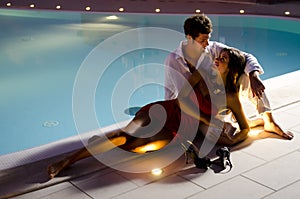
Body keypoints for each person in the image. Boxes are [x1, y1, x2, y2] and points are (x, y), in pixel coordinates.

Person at [47, 47, 250, 179]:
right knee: (124, 136)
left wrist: (232, 142)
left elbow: (245, 128)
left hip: (181, 130)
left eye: (223, 59)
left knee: (134, 147)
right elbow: (181, 100)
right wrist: (206, 119)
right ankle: (67, 161)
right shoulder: (201, 74)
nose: (217, 60)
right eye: (219, 56)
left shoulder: (231, 96)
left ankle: (100, 143)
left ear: (232, 69)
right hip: (166, 109)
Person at [164, 14, 293, 140]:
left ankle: (269, 121)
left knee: (246, 79)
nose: (207, 43)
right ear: (190, 38)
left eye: (208, 38)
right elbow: (187, 97)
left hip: (211, 99)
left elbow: (245, 56)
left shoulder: (213, 48)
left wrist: (254, 75)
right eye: (202, 40)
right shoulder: (174, 61)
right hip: (187, 107)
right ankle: (238, 122)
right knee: (217, 134)